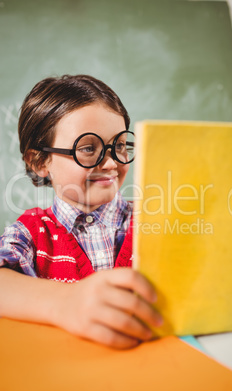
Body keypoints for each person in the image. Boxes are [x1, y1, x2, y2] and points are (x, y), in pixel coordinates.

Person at [0, 74, 163, 349]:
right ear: (39, 160)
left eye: (119, 145)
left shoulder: (155, 222)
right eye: (88, 148)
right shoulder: (31, 232)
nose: (112, 163)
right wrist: (65, 301)